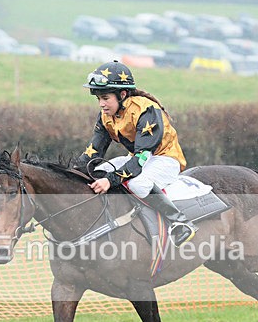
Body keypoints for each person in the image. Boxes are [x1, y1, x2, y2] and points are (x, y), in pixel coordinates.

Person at [75, 60, 195, 246]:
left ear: (122, 94)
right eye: (98, 99)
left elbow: (141, 158)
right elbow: (92, 152)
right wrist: (70, 173)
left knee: (138, 184)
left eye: (105, 98)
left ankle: (180, 222)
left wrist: (111, 180)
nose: (101, 104)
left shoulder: (146, 110)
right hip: (138, 158)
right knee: (97, 172)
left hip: (165, 159)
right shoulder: (106, 116)